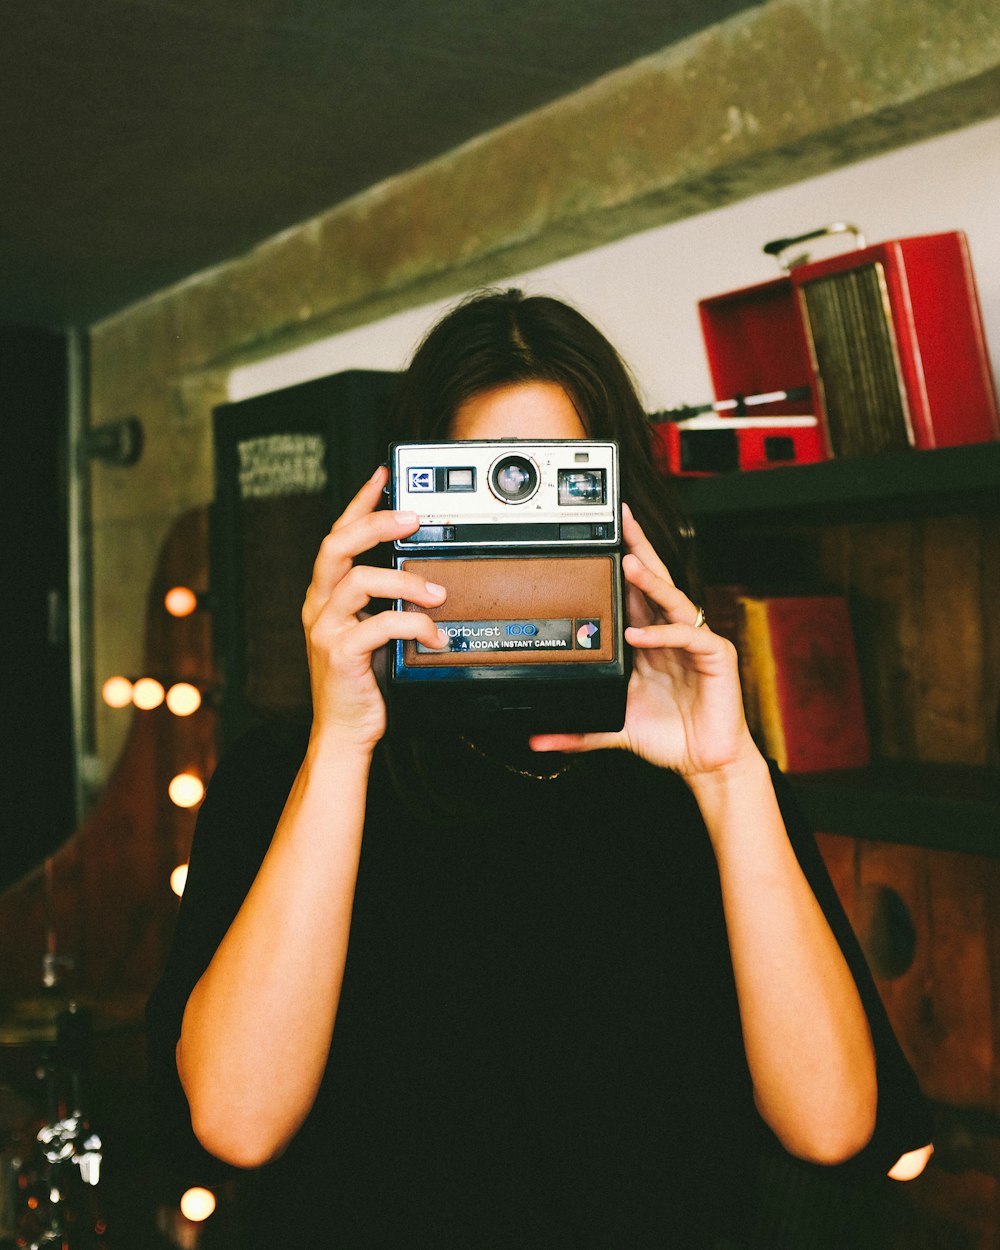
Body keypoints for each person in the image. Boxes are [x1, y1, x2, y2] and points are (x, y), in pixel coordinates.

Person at [147, 289, 932, 1247]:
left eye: (559, 489)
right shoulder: (292, 771)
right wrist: (342, 742)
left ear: (621, 517)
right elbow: (236, 1123)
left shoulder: (705, 776)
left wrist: (729, 779)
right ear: (404, 516)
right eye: (476, 495)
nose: (517, 541)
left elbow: (833, 1124)